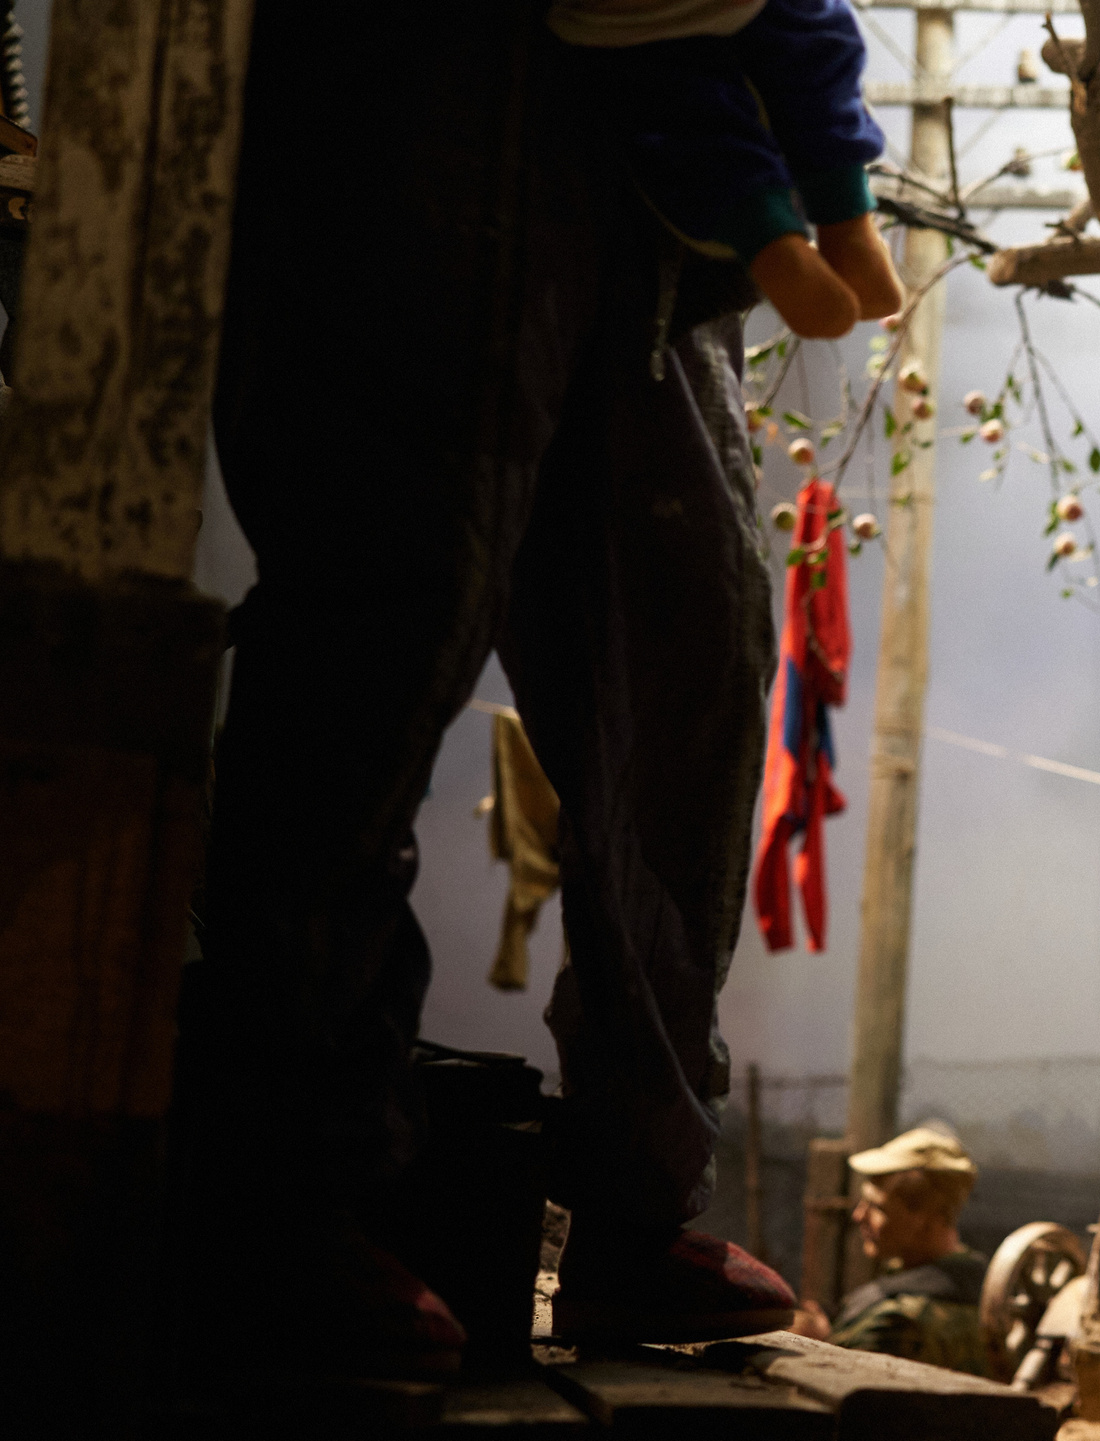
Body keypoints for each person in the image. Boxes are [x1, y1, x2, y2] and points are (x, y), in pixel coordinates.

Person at [171, 3, 800, 1369]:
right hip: (433, 69)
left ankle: (628, 1208)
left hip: (656, 124)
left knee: (694, 644)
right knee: (386, 627)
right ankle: (282, 1199)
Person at [550, 0, 905, 337]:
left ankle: (771, 243)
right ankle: (846, 221)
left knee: (686, 113)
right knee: (817, 50)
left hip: (633, 19)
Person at [820, 1127, 994, 1377]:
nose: (858, 1215)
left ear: (929, 1217)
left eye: (877, 1207)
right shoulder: (980, 1286)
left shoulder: (895, 1323)